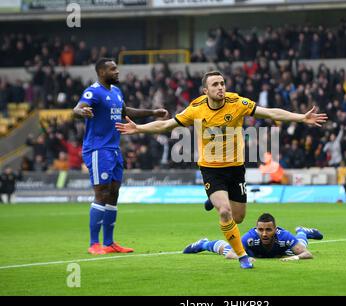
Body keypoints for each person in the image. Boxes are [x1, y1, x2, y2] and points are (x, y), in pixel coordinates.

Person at [116, 70, 328, 268]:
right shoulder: (196, 108)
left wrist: (301, 117)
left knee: (238, 218)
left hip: (236, 169)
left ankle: (215, 201)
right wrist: (138, 128)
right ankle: (243, 258)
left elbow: (270, 113)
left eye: (222, 83)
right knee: (224, 212)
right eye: (215, 84)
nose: (220, 87)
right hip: (211, 169)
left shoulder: (237, 102)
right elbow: (166, 125)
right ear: (205, 90)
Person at [73, 58, 168, 255]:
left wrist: (153, 112)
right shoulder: (93, 91)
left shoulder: (116, 92)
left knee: (114, 193)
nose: (117, 72)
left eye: (116, 68)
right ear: (101, 72)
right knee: (102, 192)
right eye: (112, 69)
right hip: (98, 149)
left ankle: (109, 242)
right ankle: (94, 244)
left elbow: (125, 111)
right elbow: (77, 108)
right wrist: (82, 111)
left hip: (114, 149)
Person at [183, 213, 323, 261]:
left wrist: (295, 257)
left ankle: (302, 232)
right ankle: (204, 244)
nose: (264, 233)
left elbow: (307, 254)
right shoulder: (250, 237)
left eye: (268, 230)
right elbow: (230, 255)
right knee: (227, 249)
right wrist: (244, 258)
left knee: (301, 247)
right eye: (260, 229)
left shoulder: (284, 236)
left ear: (275, 229)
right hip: (253, 251)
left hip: (279, 251)